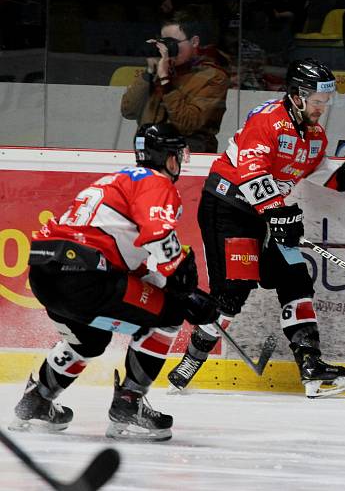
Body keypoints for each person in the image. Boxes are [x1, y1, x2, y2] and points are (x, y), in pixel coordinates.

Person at [167, 59, 345, 398]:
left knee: (295, 275)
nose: (322, 109)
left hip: (267, 214)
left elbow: (311, 169)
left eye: (326, 103)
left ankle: (311, 364)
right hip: (229, 208)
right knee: (233, 291)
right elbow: (253, 174)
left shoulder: (313, 133)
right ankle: (191, 360)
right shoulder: (267, 120)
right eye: (317, 102)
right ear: (297, 97)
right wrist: (279, 216)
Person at [9, 123, 218, 441]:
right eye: (179, 155)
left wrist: (170, 282)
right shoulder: (155, 181)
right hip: (86, 278)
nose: (180, 162)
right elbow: (159, 234)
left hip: (44, 273)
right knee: (171, 313)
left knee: (90, 341)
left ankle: (37, 400)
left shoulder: (117, 181)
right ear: (167, 158)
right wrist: (184, 290)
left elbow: (122, 259)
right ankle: (129, 404)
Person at [121, 7, 230, 153]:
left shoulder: (213, 77)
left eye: (172, 42)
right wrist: (148, 75)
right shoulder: (156, 72)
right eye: (164, 42)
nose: (167, 48)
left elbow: (188, 124)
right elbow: (128, 111)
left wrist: (166, 82)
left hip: (188, 157)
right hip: (147, 153)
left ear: (194, 41)